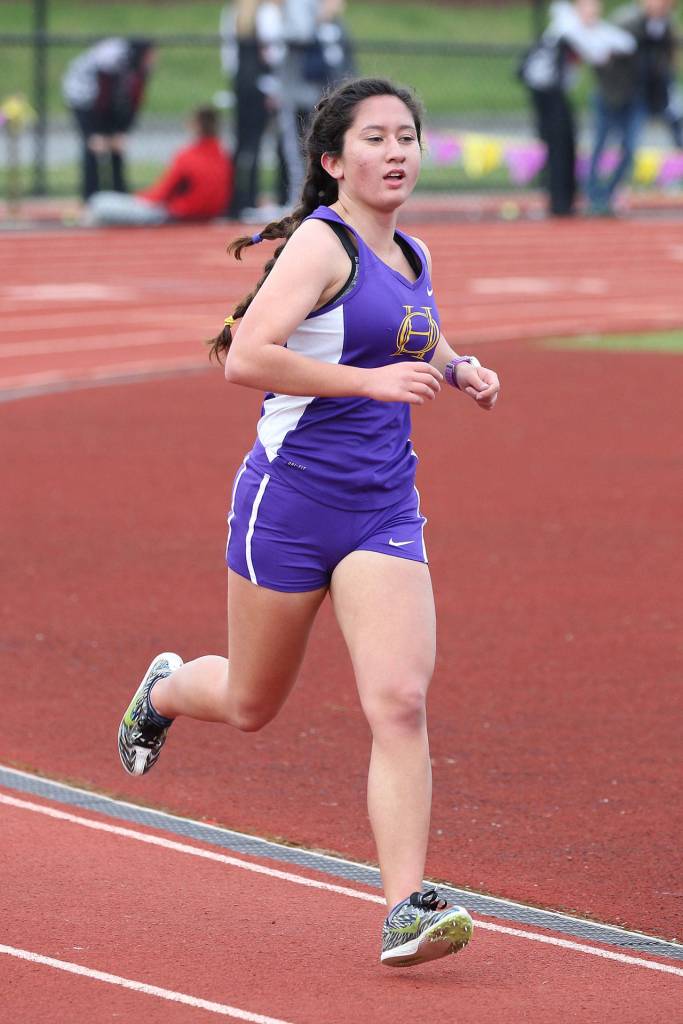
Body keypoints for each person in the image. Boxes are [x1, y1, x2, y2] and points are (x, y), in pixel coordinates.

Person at [117, 77, 500, 967]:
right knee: (252, 703)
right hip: (288, 506)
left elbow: (414, 330)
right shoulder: (318, 249)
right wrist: (369, 383)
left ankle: (405, 906)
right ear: (332, 162)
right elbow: (247, 358)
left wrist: (458, 366)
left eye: (407, 134)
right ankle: (167, 689)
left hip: (382, 508)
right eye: (374, 138)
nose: (396, 151)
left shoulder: (411, 253)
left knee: (399, 701)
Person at [519, 1, 636, 217]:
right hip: (545, 91)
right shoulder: (567, 25)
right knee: (558, 144)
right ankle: (559, 203)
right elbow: (596, 51)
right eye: (588, 7)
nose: (593, 12)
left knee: (569, 140)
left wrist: (602, 34)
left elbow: (626, 43)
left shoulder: (585, 27)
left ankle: (567, 200)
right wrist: (603, 44)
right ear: (578, 8)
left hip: (558, 92)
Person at [85, 107, 233, 226]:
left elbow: (163, 193)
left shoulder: (187, 156)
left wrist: (139, 198)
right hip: (212, 213)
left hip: (177, 214)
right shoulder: (223, 155)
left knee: (99, 202)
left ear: (196, 125)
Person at [62, 37, 156, 201]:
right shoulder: (110, 58)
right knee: (94, 146)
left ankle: (119, 196)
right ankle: (90, 197)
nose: (153, 59)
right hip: (85, 100)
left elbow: (135, 99)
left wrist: (122, 131)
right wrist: (93, 131)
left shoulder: (141, 67)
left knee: (116, 147)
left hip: (111, 104)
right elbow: (102, 97)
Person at [220, 0, 289, 219]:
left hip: (243, 84)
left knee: (244, 145)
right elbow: (275, 54)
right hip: (266, 85)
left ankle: (240, 200)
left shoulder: (234, 12)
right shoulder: (268, 12)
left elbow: (229, 58)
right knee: (281, 143)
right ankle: (283, 196)